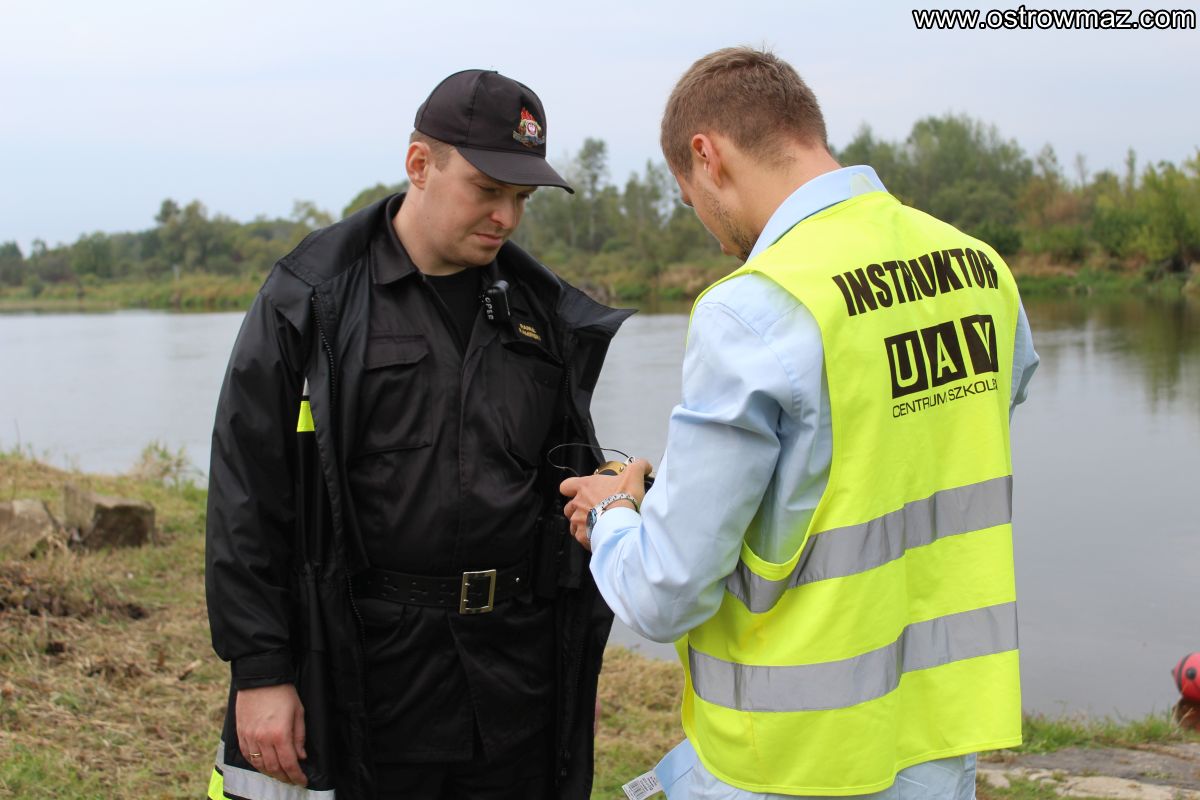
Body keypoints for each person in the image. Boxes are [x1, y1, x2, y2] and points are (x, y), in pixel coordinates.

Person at [561, 47, 1039, 800]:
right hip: (938, 739)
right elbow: (892, 456)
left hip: (791, 757)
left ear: (707, 156)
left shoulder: (753, 305)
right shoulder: (979, 268)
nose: (710, 231)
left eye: (688, 200)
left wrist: (614, 513)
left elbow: (664, 593)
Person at [205, 69, 629, 800]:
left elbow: (560, 493)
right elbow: (247, 492)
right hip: (366, 669)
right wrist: (261, 670)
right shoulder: (311, 298)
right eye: (487, 189)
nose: (506, 216)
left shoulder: (541, 313)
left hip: (515, 676)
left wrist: (572, 661)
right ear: (419, 165)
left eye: (521, 198)